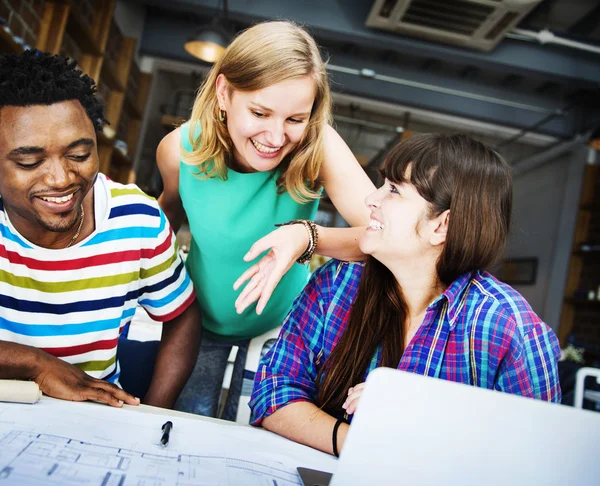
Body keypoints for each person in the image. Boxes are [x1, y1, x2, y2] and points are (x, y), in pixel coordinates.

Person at [249, 133, 562, 455]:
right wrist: (361, 446)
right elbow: (273, 392)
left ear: (441, 226)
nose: (372, 199)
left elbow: (537, 458)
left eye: (395, 190)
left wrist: (416, 412)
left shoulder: (508, 327)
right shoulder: (336, 283)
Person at [157, 21, 375, 419]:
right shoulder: (178, 151)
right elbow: (164, 220)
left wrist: (308, 238)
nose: (276, 136)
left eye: (295, 118)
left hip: (286, 333)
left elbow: (385, 236)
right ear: (224, 93)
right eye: (260, 112)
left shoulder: (318, 146)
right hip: (195, 326)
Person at [0, 50, 201, 409]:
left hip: (95, 419)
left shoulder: (136, 218)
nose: (61, 179)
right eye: (30, 162)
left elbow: (182, 314)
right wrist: (37, 364)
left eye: (78, 155)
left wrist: (153, 412)